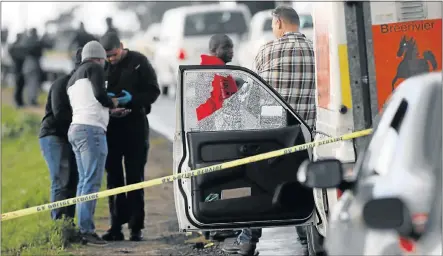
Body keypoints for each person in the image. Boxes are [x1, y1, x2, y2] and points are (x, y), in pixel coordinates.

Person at [223, 6, 317, 256]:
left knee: (255, 182)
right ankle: (308, 240)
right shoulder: (316, 51)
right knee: (304, 185)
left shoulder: (268, 50)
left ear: (277, 23)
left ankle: (247, 241)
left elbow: (257, 93)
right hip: (307, 137)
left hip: (273, 136)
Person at [99, 32, 160, 242]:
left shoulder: (139, 62)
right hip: (111, 129)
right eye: (107, 56)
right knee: (113, 178)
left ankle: (136, 227)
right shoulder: (102, 66)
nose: (111, 59)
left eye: (114, 55)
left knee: (134, 178)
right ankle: (116, 225)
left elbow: (154, 91)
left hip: (135, 127)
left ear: (121, 47)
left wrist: (134, 100)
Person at [66, 41, 119, 245]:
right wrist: (112, 103)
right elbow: (99, 95)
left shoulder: (73, 77)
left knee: (84, 181)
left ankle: (82, 228)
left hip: (77, 129)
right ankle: (86, 231)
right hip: (91, 131)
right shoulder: (94, 68)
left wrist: (109, 112)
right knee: (91, 182)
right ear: (99, 58)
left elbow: (89, 101)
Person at [39, 48, 83, 221]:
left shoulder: (85, 86)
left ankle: (68, 223)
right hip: (54, 135)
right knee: (61, 180)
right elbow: (59, 114)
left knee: (73, 180)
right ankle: (58, 224)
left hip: (71, 136)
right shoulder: (62, 83)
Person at [22, 28, 45, 106]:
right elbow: (41, 50)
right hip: (34, 62)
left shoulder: (26, 41)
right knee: (33, 83)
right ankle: (32, 101)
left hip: (27, 62)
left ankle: (30, 99)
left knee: (29, 83)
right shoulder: (36, 41)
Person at [9, 33, 26, 107]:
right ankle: (18, 102)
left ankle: (20, 101)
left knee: (21, 85)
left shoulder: (15, 46)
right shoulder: (17, 46)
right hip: (17, 68)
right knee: (18, 86)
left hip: (19, 68)